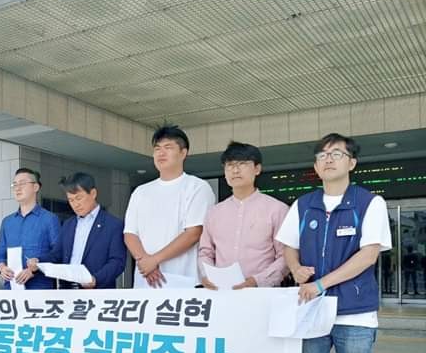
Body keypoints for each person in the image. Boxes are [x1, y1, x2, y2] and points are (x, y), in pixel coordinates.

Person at [275, 133, 392, 353]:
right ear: (315, 165)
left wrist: (322, 283)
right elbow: (288, 246)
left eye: (337, 154)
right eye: (322, 155)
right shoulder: (303, 204)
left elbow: (368, 254)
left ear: (351, 163)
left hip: (354, 313)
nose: (328, 159)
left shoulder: (369, 203)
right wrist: (295, 268)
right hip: (312, 312)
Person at [124, 124, 215, 288]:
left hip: (183, 280)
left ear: (183, 153)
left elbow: (194, 233)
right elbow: (130, 234)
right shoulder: (141, 191)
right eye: (157, 148)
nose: (161, 153)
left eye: (168, 147)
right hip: (145, 281)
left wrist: (154, 260)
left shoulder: (197, 187)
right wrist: (145, 260)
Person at [199, 141, 288, 289]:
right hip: (222, 291)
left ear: (257, 169)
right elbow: (205, 252)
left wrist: (257, 281)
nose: (235, 170)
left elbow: (286, 256)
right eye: (230, 165)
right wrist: (206, 275)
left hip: (262, 292)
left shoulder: (277, 209)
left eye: (242, 164)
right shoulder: (214, 213)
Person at [26, 172, 126, 289]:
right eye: (71, 200)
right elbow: (57, 254)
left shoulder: (113, 225)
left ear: (93, 193)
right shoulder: (68, 224)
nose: (75, 204)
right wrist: (38, 261)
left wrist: (96, 279)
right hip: (68, 290)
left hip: (97, 290)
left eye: (79, 198)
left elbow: (117, 262)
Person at [0, 168, 59, 289]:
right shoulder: (7, 222)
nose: (17, 188)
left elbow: (58, 254)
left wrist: (35, 267)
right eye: (15, 184)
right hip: (11, 288)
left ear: (36, 187)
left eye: (22, 183)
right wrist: (2, 267)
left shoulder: (49, 219)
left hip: (40, 289)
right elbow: (0, 255)